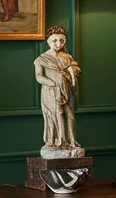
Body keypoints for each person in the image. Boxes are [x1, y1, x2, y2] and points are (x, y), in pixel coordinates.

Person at [34, 26, 83, 158]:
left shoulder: (67, 57)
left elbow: (76, 68)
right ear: (48, 41)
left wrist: (72, 71)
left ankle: (71, 140)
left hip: (65, 91)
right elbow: (39, 76)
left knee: (69, 115)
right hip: (50, 92)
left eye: (61, 41)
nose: (58, 44)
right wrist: (52, 83)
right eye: (54, 41)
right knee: (57, 114)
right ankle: (57, 141)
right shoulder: (42, 58)